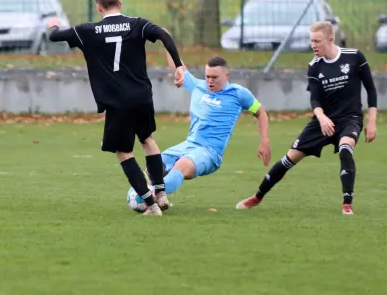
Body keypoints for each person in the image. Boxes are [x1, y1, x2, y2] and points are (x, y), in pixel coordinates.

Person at [46, 0, 185, 216]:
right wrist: (178, 66)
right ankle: (160, 193)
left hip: (118, 102)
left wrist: (52, 25)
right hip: (142, 96)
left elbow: (54, 36)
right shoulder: (137, 24)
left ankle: (150, 205)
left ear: (99, 8)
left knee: (123, 152)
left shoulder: (87, 31)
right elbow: (163, 34)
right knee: (147, 139)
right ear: (119, 4)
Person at [236, 21, 378, 215]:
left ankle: (347, 205)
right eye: (311, 41)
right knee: (289, 158)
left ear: (330, 39)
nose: (313, 45)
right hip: (322, 121)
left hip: (350, 118)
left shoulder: (354, 57)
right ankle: (257, 196)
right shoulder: (314, 66)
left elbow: (370, 89)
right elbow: (315, 99)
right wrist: (322, 118)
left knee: (346, 148)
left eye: (317, 41)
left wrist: (371, 121)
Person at [132, 51, 271, 206]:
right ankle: (156, 199)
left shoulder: (239, 94)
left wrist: (264, 141)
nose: (210, 81)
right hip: (188, 144)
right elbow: (179, 68)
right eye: (207, 76)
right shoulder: (198, 86)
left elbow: (261, 112)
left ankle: (148, 196)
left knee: (182, 165)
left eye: (215, 77)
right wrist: (165, 42)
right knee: (156, 164)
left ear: (227, 76)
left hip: (210, 152)